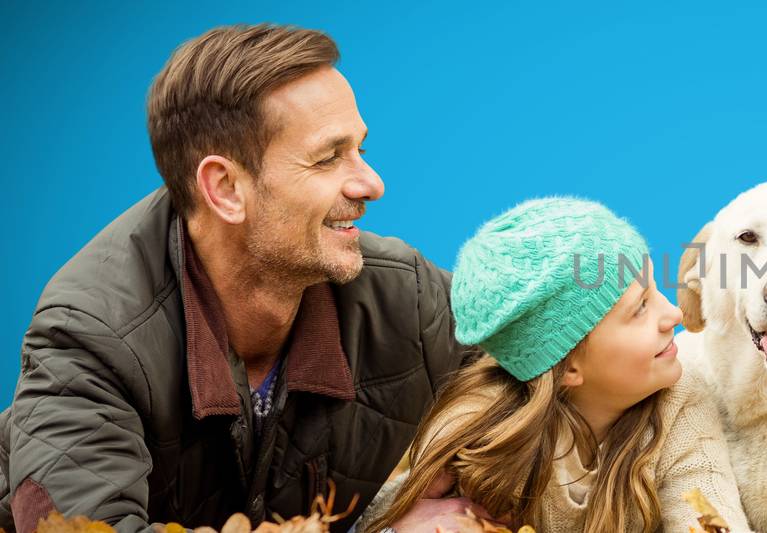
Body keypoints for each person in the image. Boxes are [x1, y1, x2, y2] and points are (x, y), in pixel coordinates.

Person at [0, 24, 476, 532]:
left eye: (360, 149)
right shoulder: (92, 339)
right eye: (328, 157)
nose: (371, 183)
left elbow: (553, 395)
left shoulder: (408, 298)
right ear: (225, 187)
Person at [359, 198, 751, 533]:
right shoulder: (484, 435)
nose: (675, 314)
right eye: (640, 309)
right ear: (567, 368)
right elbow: (379, 515)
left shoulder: (681, 405)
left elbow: (710, 516)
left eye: (655, 290)